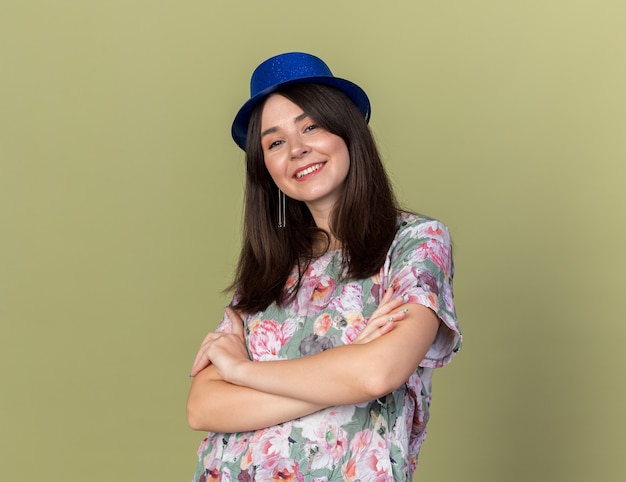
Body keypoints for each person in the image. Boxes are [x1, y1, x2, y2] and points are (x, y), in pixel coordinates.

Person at [187, 52, 462, 481]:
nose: (296, 149)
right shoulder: (269, 268)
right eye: (275, 142)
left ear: (347, 131)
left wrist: (243, 372)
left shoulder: (415, 243)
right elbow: (203, 407)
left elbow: (376, 373)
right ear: (268, 170)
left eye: (311, 126)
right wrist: (344, 367)